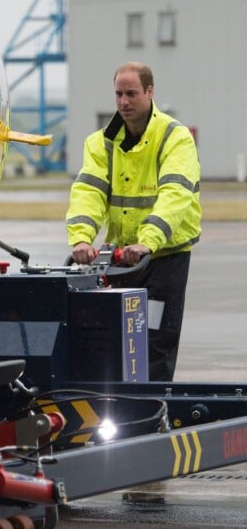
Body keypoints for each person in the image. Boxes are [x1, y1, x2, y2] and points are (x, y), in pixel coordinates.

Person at [66, 61, 201, 381]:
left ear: (149, 92)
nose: (124, 102)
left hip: (164, 258)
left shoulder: (174, 138)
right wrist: (81, 238)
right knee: (115, 342)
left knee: (155, 342)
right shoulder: (100, 142)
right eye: (118, 94)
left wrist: (148, 241)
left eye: (131, 93)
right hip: (122, 260)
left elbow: (175, 194)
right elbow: (89, 192)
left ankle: (153, 411)